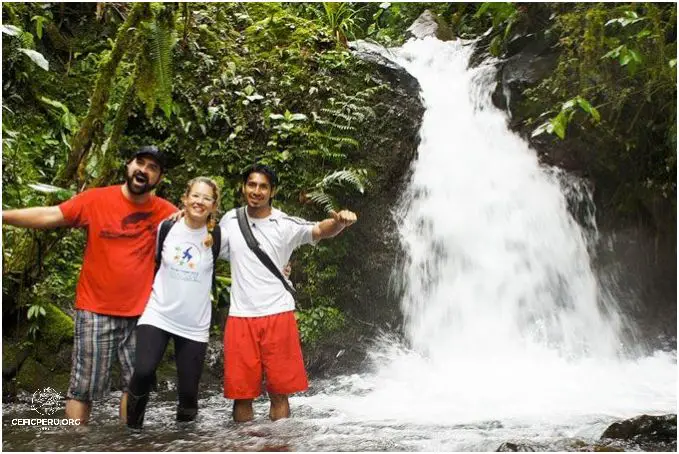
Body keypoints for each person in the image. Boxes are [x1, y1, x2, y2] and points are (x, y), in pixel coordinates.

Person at [1, 146, 177, 425]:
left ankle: (129, 443)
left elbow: (196, 228)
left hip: (143, 314)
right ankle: (75, 444)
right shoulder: (96, 200)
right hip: (96, 311)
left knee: (136, 386)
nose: (143, 170)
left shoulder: (167, 214)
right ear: (128, 165)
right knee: (82, 390)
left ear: (160, 177)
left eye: (152, 167)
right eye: (139, 163)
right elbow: (51, 215)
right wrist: (3, 216)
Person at [219, 163, 357, 422]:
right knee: (241, 395)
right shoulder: (230, 221)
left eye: (263, 186)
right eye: (251, 184)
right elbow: (208, 247)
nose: (256, 191)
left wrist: (339, 223)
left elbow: (318, 230)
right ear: (243, 187)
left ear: (272, 191)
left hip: (278, 315)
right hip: (240, 317)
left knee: (280, 393)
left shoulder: (283, 223)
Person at [126, 177, 229, 429]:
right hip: (158, 314)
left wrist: (283, 268)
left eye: (206, 198)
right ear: (185, 199)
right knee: (142, 372)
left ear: (214, 205)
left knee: (188, 394)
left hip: (194, 325)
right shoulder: (167, 227)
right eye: (195, 196)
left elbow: (247, 256)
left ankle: (184, 443)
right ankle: (132, 433)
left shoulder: (218, 235)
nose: (199, 202)